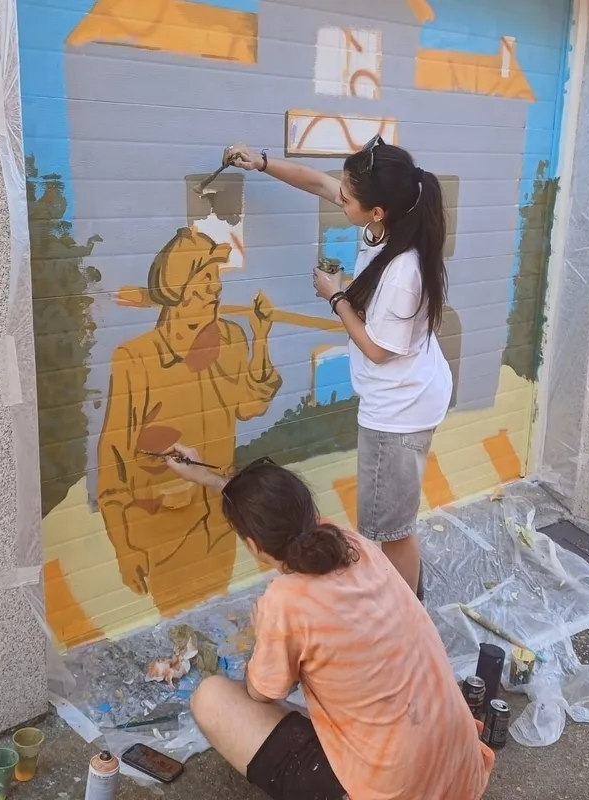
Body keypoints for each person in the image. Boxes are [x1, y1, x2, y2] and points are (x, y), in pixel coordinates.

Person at [163, 443, 494, 800]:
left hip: (394, 792)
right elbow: (282, 516)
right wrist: (212, 479)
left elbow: (262, 692)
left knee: (210, 699)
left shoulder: (285, 601)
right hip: (460, 775)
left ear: (254, 547)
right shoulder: (354, 545)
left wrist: (264, 636)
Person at [222, 138, 452, 599]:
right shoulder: (385, 226)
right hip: (410, 391)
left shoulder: (402, 271)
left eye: (347, 197)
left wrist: (336, 296)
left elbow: (378, 350)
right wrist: (261, 163)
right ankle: (404, 600)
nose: (338, 197)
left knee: (390, 528)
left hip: (399, 408)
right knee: (391, 519)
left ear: (376, 211)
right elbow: (317, 183)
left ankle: (405, 613)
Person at [97, 228, 282, 616]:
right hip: (165, 530)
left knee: (214, 616)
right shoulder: (136, 359)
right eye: (206, 277)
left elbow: (251, 404)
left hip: (220, 520)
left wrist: (261, 337)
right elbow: (114, 457)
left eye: (217, 277)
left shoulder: (230, 338)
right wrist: (124, 546)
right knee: (177, 625)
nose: (216, 288)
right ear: (178, 287)